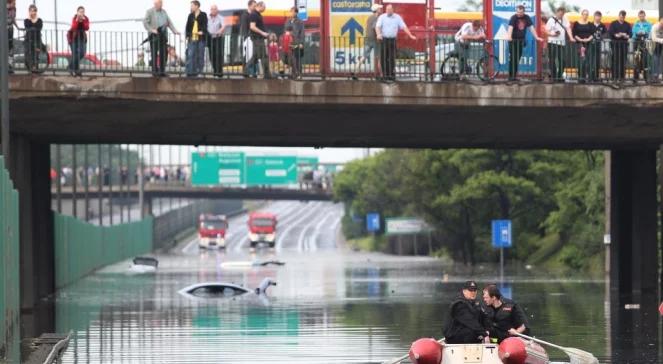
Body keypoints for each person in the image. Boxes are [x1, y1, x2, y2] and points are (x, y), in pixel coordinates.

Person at [376, 4, 416, 81]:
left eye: (389, 10)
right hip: (384, 40)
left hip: (392, 40)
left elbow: (404, 27)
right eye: (387, 9)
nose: (388, 11)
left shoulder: (397, 17)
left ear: (392, 10)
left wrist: (410, 35)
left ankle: (391, 74)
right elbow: (377, 27)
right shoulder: (382, 17)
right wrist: (378, 34)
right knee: (383, 58)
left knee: (392, 58)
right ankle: (385, 75)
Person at [506, 4, 543, 81]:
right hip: (513, 41)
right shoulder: (514, 17)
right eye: (518, 12)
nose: (519, 14)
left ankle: (514, 76)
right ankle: (511, 76)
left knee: (517, 58)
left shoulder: (526, 18)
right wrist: (509, 36)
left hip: (521, 41)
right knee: (513, 58)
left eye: (520, 12)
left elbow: (531, 28)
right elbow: (510, 27)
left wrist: (536, 37)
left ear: (524, 12)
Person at [143, 0, 180, 77]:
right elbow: (145, 22)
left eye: (158, 4)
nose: (156, 5)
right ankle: (155, 71)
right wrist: (152, 30)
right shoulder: (149, 11)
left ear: (161, 4)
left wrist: (175, 31)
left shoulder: (164, 12)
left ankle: (162, 71)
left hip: (163, 36)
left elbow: (169, 22)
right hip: (154, 36)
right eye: (155, 4)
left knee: (164, 53)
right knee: (154, 53)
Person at [545, 7, 574, 82]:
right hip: (552, 42)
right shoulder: (551, 20)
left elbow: (568, 28)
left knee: (563, 60)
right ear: (556, 12)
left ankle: (559, 75)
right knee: (552, 60)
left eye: (562, 14)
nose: (561, 15)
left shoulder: (565, 19)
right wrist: (553, 34)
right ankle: (554, 77)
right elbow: (546, 31)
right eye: (560, 14)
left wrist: (571, 37)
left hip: (561, 43)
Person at [184, 0, 208, 77]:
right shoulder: (190, 15)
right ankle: (190, 72)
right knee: (191, 55)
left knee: (200, 55)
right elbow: (187, 26)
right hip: (192, 37)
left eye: (192, 5)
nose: (191, 7)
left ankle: (199, 71)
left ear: (197, 6)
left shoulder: (203, 15)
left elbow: (205, 25)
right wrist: (187, 36)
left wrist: (202, 31)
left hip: (201, 38)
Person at [249, 1, 271, 79]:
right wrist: (263, 33)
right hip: (257, 38)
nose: (265, 9)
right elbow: (252, 27)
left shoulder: (257, 14)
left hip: (259, 38)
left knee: (256, 56)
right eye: (264, 7)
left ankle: (245, 71)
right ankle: (267, 74)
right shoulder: (254, 14)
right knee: (263, 56)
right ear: (260, 6)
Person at [572, 9, 595, 82]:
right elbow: (574, 34)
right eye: (584, 14)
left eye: (587, 14)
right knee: (581, 61)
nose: (585, 16)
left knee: (587, 61)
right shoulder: (576, 23)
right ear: (581, 15)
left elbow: (593, 34)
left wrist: (588, 39)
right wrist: (580, 40)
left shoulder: (590, 24)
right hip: (579, 44)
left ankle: (586, 76)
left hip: (588, 44)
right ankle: (581, 77)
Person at [608, 10, 632, 82]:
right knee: (615, 60)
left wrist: (626, 35)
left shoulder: (627, 24)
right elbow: (610, 32)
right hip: (615, 45)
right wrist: (616, 35)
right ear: (619, 16)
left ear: (625, 17)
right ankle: (614, 77)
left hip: (624, 45)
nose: (622, 18)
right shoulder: (613, 23)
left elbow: (630, 34)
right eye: (621, 16)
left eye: (623, 17)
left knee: (623, 61)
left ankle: (622, 77)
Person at [66, 6, 89, 77]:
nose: (81, 13)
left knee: (82, 53)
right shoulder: (74, 18)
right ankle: (76, 71)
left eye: (83, 12)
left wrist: (84, 20)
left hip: (82, 38)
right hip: (73, 38)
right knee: (75, 54)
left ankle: (70, 66)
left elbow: (86, 28)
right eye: (80, 11)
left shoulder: (86, 18)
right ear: (77, 12)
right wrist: (77, 20)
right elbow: (74, 27)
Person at [284, 6, 304, 79]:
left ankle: (299, 74)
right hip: (289, 42)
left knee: (297, 58)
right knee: (291, 59)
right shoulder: (287, 21)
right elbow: (285, 30)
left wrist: (301, 43)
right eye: (291, 11)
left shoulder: (300, 21)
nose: (291, 13)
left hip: (297, 42)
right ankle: (293, 74)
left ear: (296, 12)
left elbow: (302, 32)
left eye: (292, 11)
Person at [632, 10, 652, 82]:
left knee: (645, 61)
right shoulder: (635, 24)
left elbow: (650, 33)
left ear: (645, 16)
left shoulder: (649, 24)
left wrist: (645, 32)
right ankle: (635, 78)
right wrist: (638, 33)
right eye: (640, 16)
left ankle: (646, 78)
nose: (641, 17)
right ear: (638, 16)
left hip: (645, 44)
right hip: (637, 44)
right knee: (636, 61)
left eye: (643, 16)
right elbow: (633, 33)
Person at [207, 4, 226, 78]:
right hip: (210, 39)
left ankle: (219, 72)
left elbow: (224, 26)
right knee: (212, 56)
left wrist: (219, 31)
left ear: (217, 10)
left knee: (218, 55)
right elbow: (205, 27)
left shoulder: (221, 18)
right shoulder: (208, 18)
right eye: (212, 9)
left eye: (214, 9)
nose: (213, 10)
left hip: (218, 38)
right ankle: (215, 70)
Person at [24, 4, 43, 74]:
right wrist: (30, 19)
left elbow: (39, 28)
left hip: (37, 40)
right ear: (29, 12)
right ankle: (30, 69)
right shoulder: (26, 20)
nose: (32, 12)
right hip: (28, 40)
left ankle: (35, 70)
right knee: (27, 57)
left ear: (36, 12)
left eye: (34, 11)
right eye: (31, 11)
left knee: (35, 56)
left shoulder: (39, 20)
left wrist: (33, 26)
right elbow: (27, 27)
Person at [240, 0, 257, 77]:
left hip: (253, 38)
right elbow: (244, 28)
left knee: (253, 56)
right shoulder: (245, 15)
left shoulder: (254, 14)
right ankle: (246, 72)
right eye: (254, 6)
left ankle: (253, 72)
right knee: (247, 56)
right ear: (249, 6)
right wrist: (247, 37)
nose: (255, 7)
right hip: (248, 38)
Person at [591, 11, 607, 81]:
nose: (598, 18)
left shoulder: (602, 26)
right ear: (594, 17)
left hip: (598, 45)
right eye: (596, 16)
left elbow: (606, 34)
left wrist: (602, 37)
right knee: (591, 60)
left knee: (597, 61)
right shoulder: (590, 24)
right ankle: (590, 76)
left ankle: (596, 76)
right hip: (591, 45)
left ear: (601, 17)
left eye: (599, 16)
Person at [7, 0, 18, 74]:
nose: (14, 4)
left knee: (10, 47)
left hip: (10, 29)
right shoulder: (3, 6)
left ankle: (10, 66)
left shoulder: (14, 9)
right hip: (3, 29)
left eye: (14, 3)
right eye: (13, 3)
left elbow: (13, 19)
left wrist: (17, 26)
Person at [652, 17, 663, 83]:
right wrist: (661, 40)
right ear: (659, 22)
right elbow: (654, 38)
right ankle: (655, 75)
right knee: (655, 59)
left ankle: (660, 75)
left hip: (660, 43)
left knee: (660, 59)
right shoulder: (655, 27)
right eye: (662, 23)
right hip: (654, 44)